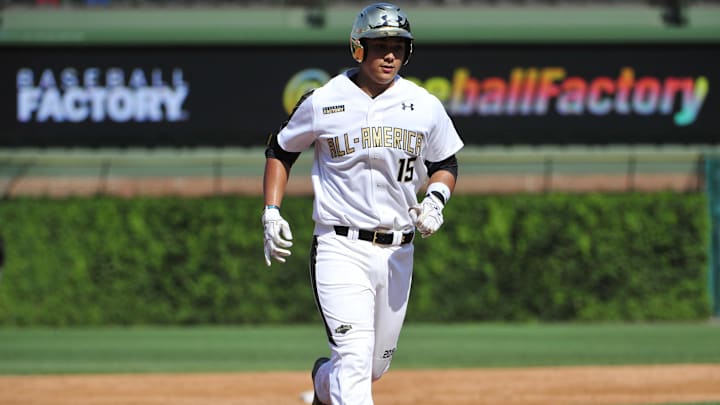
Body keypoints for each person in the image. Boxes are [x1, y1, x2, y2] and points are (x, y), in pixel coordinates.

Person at [262, 3, 464, 404]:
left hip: (397, 252)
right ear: (359, 48)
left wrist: (437, 200)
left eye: (399, 46)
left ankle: (322, 384)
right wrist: (271, 211)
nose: (390, 55)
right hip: (340, 245)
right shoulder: (324, 100)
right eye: (380, 45)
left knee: (371, 369)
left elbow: (445, 163)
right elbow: (280, 150)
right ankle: (335, 379)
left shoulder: (423, 104)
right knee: (353, 363)